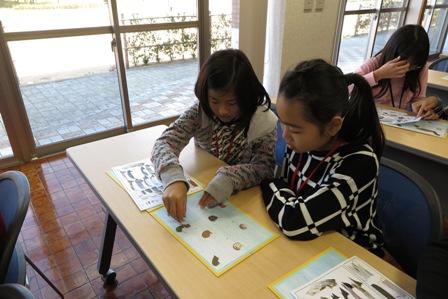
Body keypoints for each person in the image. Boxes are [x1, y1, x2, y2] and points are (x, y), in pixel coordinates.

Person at [260, 59, 385, 255]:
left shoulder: (360, 162)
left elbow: (294, 221)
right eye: (283, 124)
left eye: (294, 129)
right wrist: (282, 191)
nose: (285, 135)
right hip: (309, 242)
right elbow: (288, 193)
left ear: (333, 126)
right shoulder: (302, 144)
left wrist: (267, 181)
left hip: (350, 253)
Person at [151, 49, 277, 222]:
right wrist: (172, 178)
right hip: (206, 190)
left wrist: (230, 177)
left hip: (245, 203)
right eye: (214, 101)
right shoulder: (200, 112)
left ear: (246, 96)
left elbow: (265, 167)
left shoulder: (262, 121)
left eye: (232, 102)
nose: (222, 111)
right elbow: (164, 143)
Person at [355, 24, 441, 120]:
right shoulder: (376, 62)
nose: (407, 69)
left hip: (398, 122)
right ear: (393, 54)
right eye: (403, 63)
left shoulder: (420, 67)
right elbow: (348, 88)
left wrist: (424, 108)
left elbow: (417, 100)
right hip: (369, 119)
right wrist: (378, 74)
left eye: (413, 66)